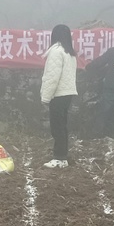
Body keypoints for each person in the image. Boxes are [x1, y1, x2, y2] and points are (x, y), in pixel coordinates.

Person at [40, 24, 78, 168]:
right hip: (67, 94)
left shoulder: (56, 52)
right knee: (62, 126)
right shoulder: (69, 52)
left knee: (57, 127)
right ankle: (63, 156)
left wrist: (45, 97)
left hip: (58, 94)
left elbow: (52, 77)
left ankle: (59, 158)